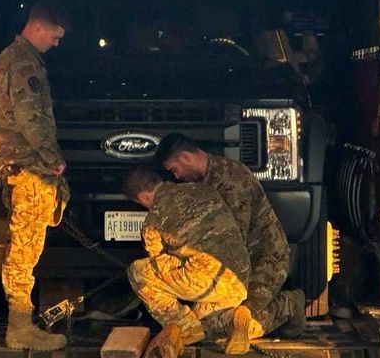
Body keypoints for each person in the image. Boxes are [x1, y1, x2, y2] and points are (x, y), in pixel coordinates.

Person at [155, 133, 303, 337]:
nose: (177, 177)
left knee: (237, 324)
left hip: (264, 261)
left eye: (175, 170)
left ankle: (290, 304)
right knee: (205, 322)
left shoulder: (231, 180)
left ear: (185, 158)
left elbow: (233, 242)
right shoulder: (203, 183)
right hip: (233, 265)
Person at [0, 0, 71, 350]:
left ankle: (22, 322)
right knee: (24, 249)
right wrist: (53, 158)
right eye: (55, 36)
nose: (57, 43)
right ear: (38, 27)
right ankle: (19, 326)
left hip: (23, 167)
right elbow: (29, 118)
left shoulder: (14, 58)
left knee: (25, 246)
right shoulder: (23, 63)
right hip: (30, 170)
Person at [122, 167, 258, 358]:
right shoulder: (203, 189)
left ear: (142, 198)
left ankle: (182, 328)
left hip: (205, 281)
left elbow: (158, 263)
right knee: (202, 322)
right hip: (239, 279)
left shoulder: (154, 219)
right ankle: (234, 319)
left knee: (139, 271)